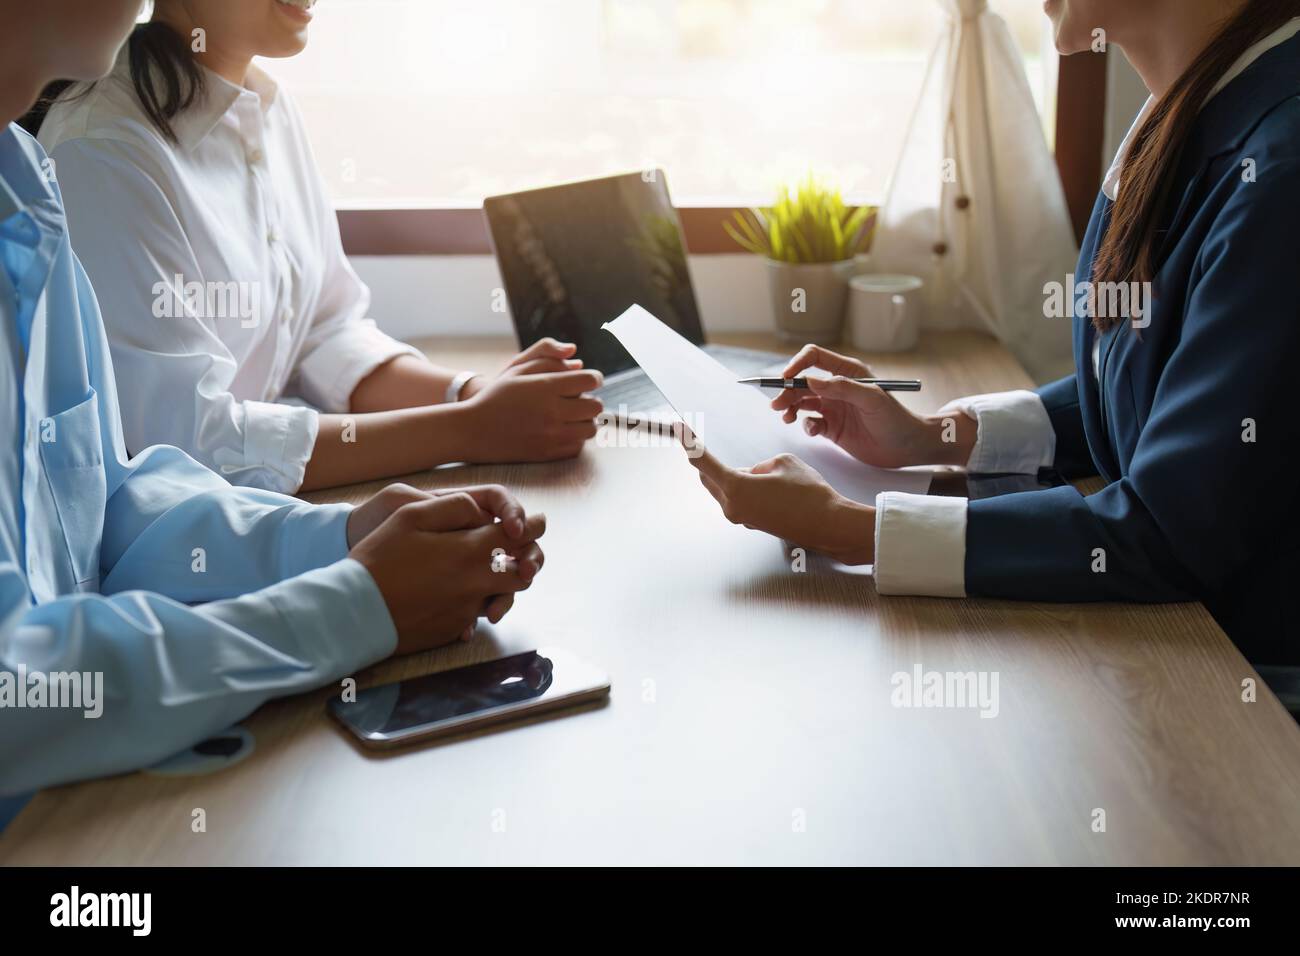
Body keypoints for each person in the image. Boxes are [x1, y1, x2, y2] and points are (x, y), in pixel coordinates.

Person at [0, 0, 546, 802]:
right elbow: (21, 694)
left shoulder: (23, 182)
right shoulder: (90, 153)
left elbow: (103, 509)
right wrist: (355, 606)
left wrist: (339, 537)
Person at [685, 0, 1300, 675]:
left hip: (1255, 688)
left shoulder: (1278, 172)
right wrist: (934, 436)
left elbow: (1169, 536)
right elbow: (1158, 391)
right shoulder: (1199, 105)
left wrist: (847, 526)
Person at [28, 0, 604, 494]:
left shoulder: (266, 106)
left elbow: (322, 333)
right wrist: (470, 429)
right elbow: (186, 445)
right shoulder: (103, 151)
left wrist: (470, 394)